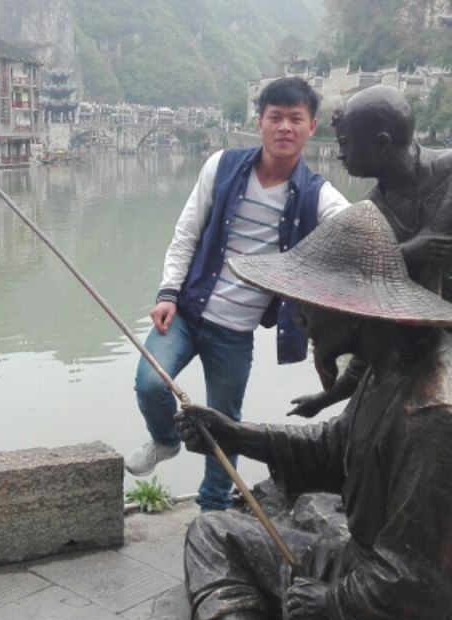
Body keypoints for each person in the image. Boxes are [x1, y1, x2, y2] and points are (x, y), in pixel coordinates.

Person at [176, 200, 452, 620]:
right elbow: (333, 448)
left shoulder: (430, 415)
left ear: (352, 310)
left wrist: (332, 602)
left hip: (393, 612)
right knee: (213, 534)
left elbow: (417, 585)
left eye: (309, 303)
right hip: (359, 568)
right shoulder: (386, 365)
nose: (300, 318)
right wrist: (236, 436)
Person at [124, 77, 349, 512]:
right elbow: (186, 233)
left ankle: (213, 505)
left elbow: (357, 229)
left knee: (224, 425)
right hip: (186, 312)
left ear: (312, 126)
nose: (285, 127)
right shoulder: (222, 166)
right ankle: (165, 440)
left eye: (295, 119)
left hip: (235, 331)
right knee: (150, 383)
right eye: (275, 117)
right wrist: (168, 293)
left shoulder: (318, 195)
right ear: (259, 121)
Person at [289, 84, 452, 418]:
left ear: (381, 143)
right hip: (417, 361)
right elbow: (374, 326)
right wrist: (326, 399)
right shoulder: (369, 214)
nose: (340, 155)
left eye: (346, 144)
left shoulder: (446, 175)